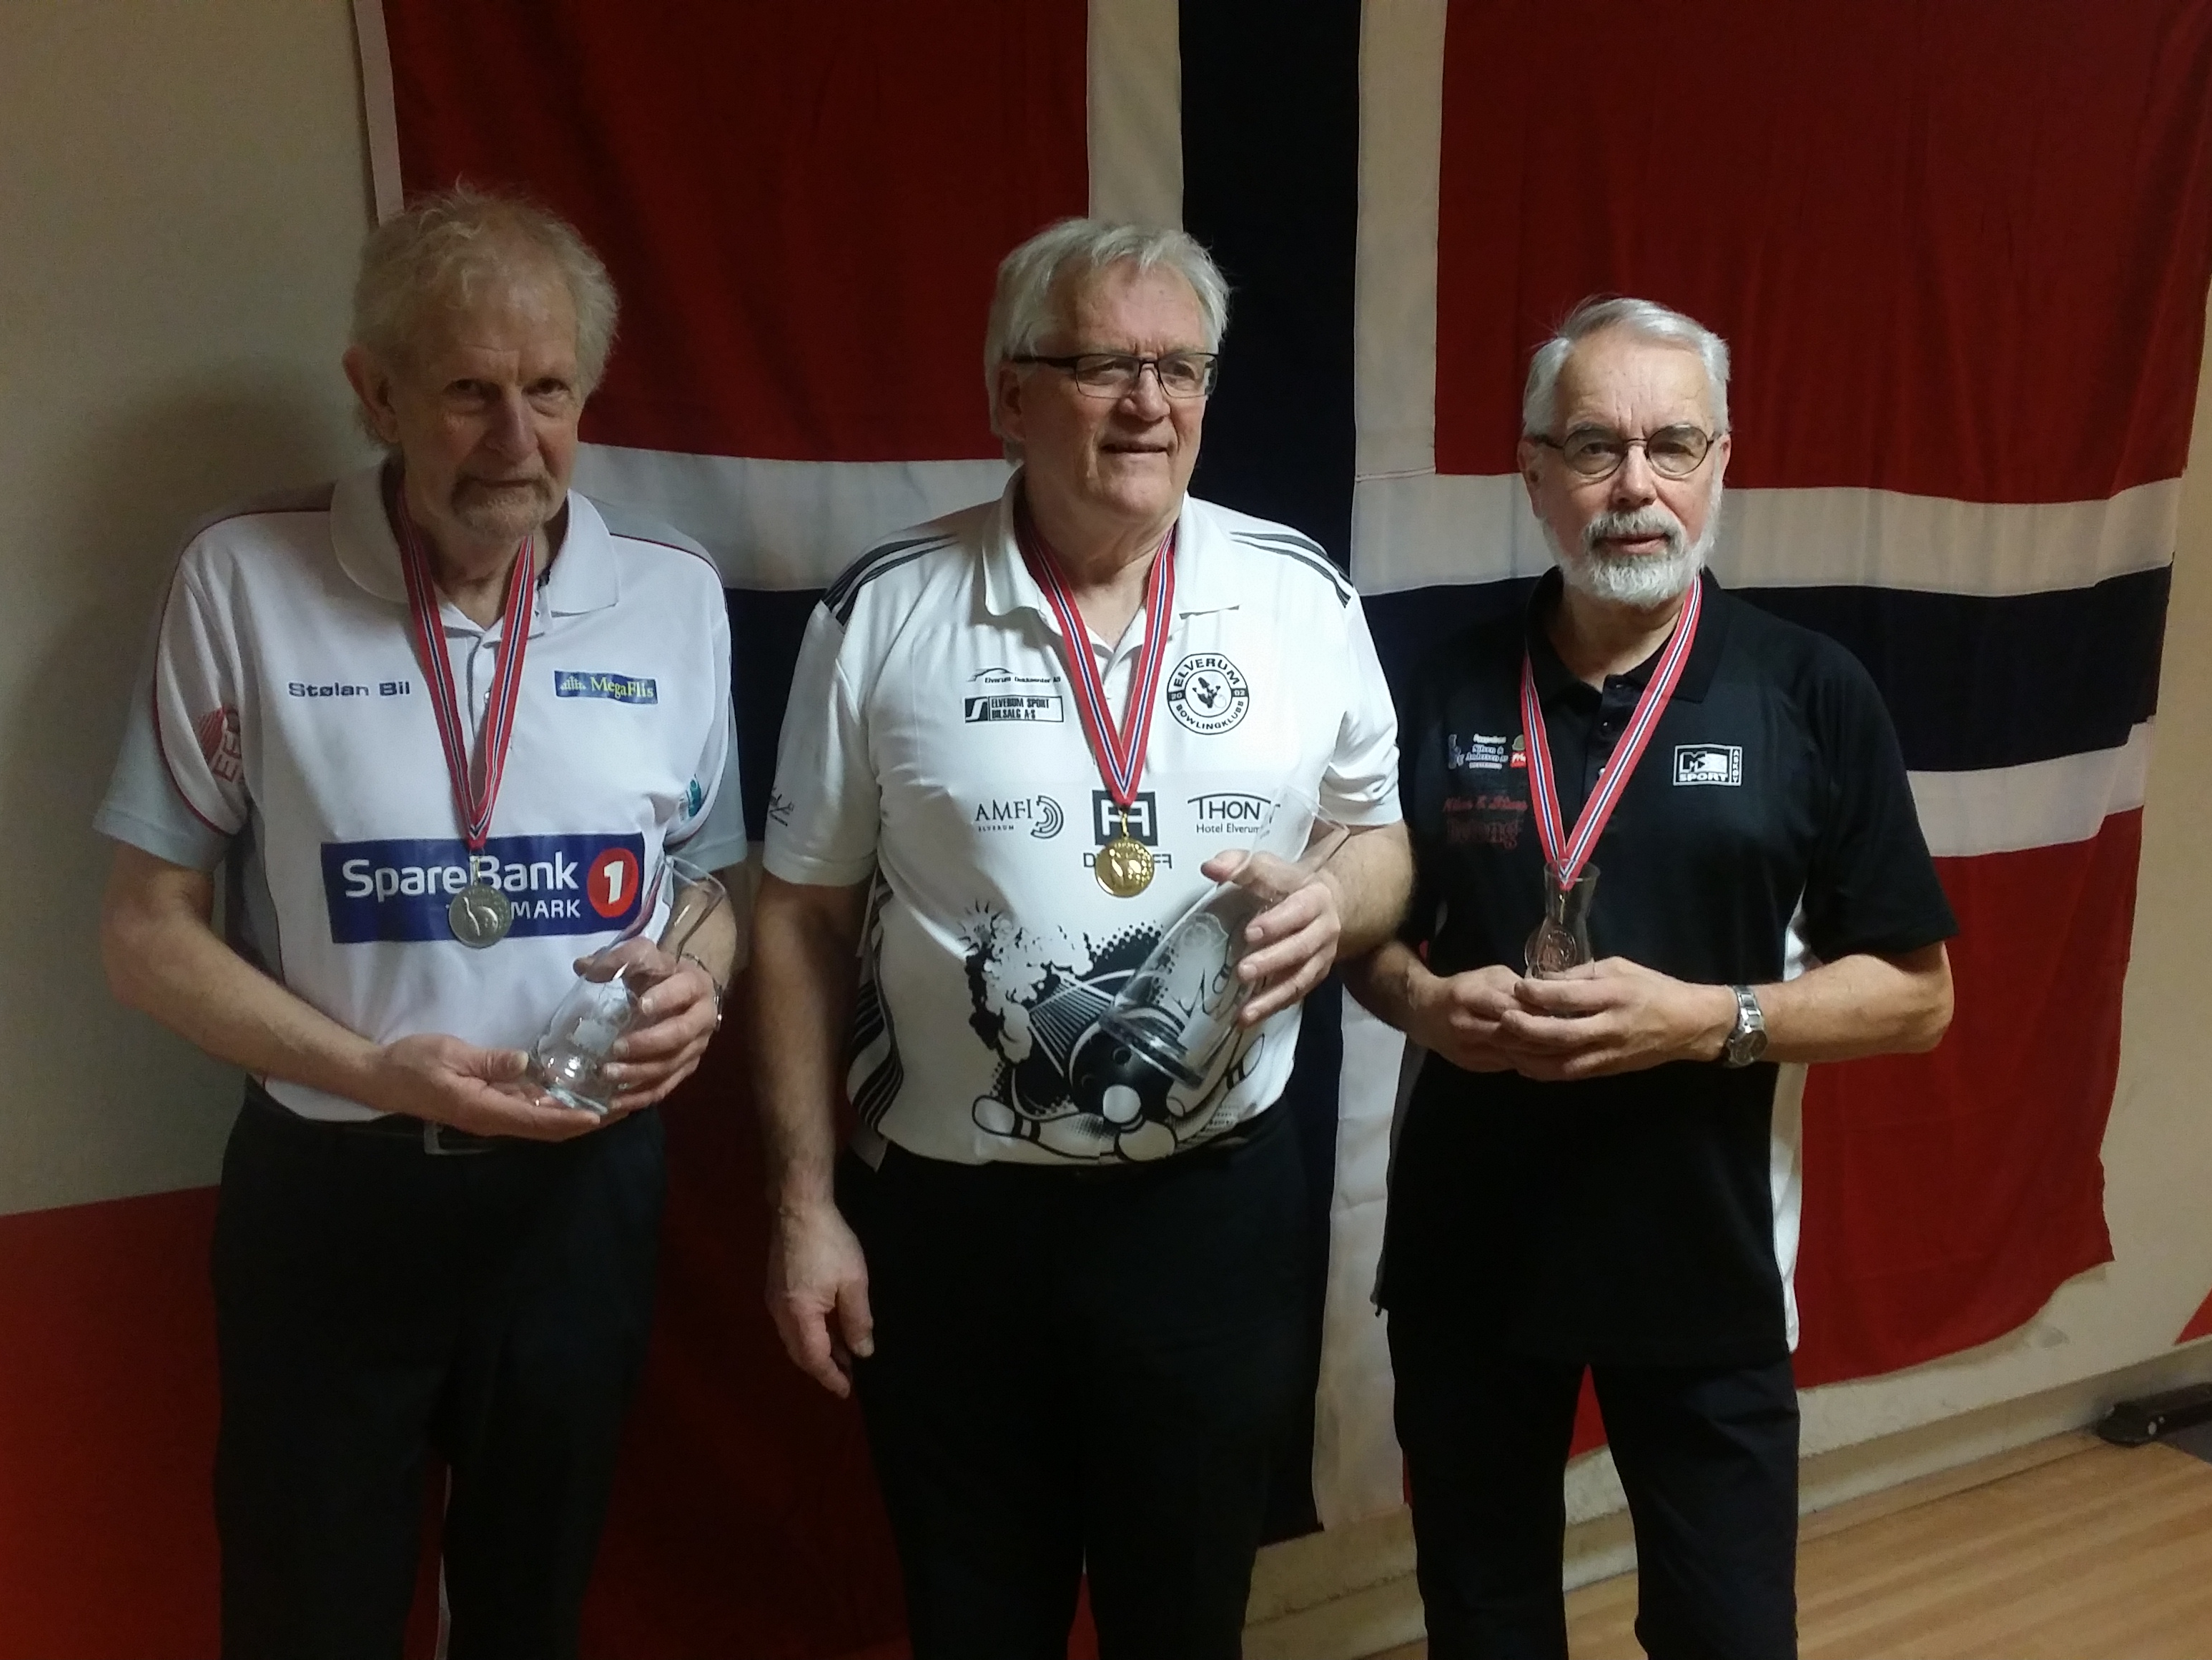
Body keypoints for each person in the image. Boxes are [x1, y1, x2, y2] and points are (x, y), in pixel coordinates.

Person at [93, 187, 744, 1658]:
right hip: (338, 1193)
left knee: (531, 1609)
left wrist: (697, 980)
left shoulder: (671, 594)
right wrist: (375, 1072)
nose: (516, 442)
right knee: (307, 1613)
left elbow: (711, 880)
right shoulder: (243, 579)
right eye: (467, 393)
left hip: (581, 1199)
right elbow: (144, 930)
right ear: (374, 392)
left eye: (550, 391)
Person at [749, 218, 1413, 1659]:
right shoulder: (886, 608)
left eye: (1183, 368)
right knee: (974, 1620)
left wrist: (1339, 900)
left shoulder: (1300, 594)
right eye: (1105, 364)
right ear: (1010, 394)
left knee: (1186, 1619)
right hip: (952, 1225)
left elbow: (1381, 839)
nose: (1149, 404)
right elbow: (798, 914)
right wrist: (805, 1205)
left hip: (1209, 1218)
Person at [1346, 297, 1957, 1660]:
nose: (1636, 486)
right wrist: (1426, 1003)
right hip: (1470, 1258)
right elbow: (1366, 938)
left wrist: (1707, 1020)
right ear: (1533, 473)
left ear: (1721, 461)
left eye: (1673, 444)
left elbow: (1918, 995)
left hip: (1704, 1261)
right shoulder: (1436, 683)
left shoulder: (1812, 692)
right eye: (1595, 447)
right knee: (1485, 1628)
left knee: (1726, 1634)